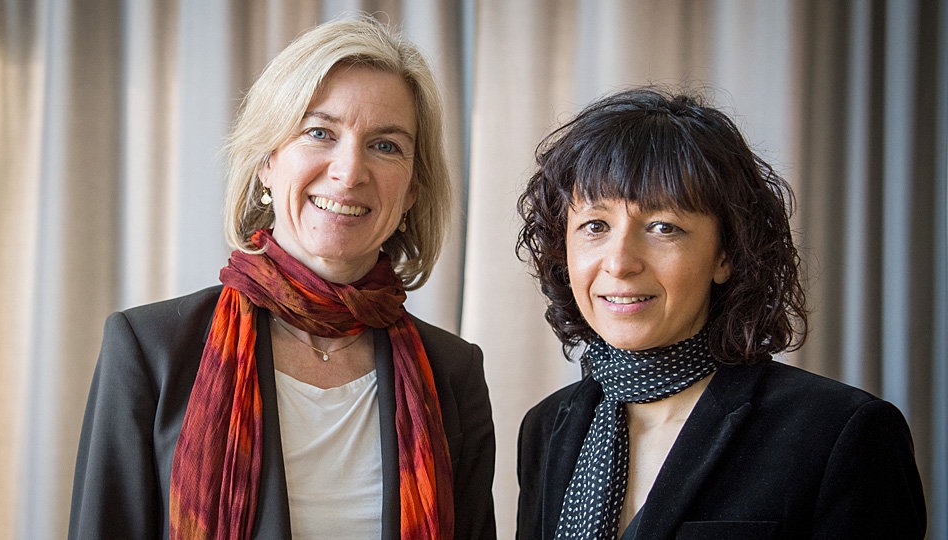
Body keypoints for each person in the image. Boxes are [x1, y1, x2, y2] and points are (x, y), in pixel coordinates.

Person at [69, 16, 495, 539]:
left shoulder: (453, 373)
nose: (349, 171)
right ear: (267, 163)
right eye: (320, 132)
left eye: (386, 145)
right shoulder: (150, 349)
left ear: (410, 191)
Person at [514, 87, 926, 539]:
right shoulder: (546, 428)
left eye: (663, 227)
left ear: (725, 254)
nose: (619, 262)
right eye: (595, 226)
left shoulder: (841, 434)